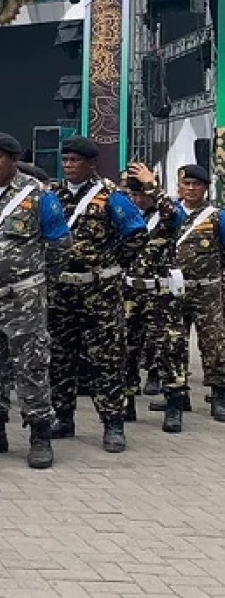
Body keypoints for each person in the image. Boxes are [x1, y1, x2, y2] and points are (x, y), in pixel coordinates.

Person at [0, 132, 70, 470]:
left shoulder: (37, 197)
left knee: (31, 366)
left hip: (24, 298)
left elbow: (60, 245)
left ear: (13, 160)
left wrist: (37, 284)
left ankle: (40, 437)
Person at [49, 137, 147, 453]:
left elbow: (136, 234)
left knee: (106, 358)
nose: (69, 166)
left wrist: (112, 262)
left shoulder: (111, 197)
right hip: (62, 290)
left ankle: (113, 424)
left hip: (99, 291)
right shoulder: (52, 195)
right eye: (65, 161)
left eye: (75, 161)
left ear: (91, 164)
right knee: (61, 355)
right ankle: (63, 417)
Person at [122, 163, 187, 431]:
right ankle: (126, 402)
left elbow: (173, 214)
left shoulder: (167, 214)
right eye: (134, 194)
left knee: (169, 349)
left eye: (143, 194)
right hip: (130, 290)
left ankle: (174, 405)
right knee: (126, 348)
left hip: (161, 292)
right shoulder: (126, 216)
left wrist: (154, 186)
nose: (138, 199)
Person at [163, 165, 225, 422]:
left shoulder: (216, 217)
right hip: (174, 290)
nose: (191, 189)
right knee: (174, 344)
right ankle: (176, 400)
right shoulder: (169, 214)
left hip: (207, 290)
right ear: (179, 187)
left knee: (215, 344)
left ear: (205, 187)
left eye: (196, 185)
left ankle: (219, 395)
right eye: (186, 184)